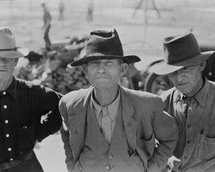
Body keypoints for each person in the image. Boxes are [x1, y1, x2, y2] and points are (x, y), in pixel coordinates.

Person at [59, 29, 178, 172]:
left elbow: (170, 138)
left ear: (122, 69)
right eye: (95, 63)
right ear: (85, 71)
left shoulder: (147, 105)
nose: (101, 69)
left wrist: (152, 168)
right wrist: (72, 167)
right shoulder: (70, 104)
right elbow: (67, 136)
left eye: (108, 63)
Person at [0, 26, 62, 172]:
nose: (2, 63)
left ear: (16, 61)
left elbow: (65, 105)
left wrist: (39, 133)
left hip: (28, 168)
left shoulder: (32, 92)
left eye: (8, 58)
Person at [152, 32, 215, 172]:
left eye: (186, 68)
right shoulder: (163, 102)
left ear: (201, 65)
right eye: (173, 71)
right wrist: (167, 159)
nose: (179, 78)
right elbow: (155, 143)